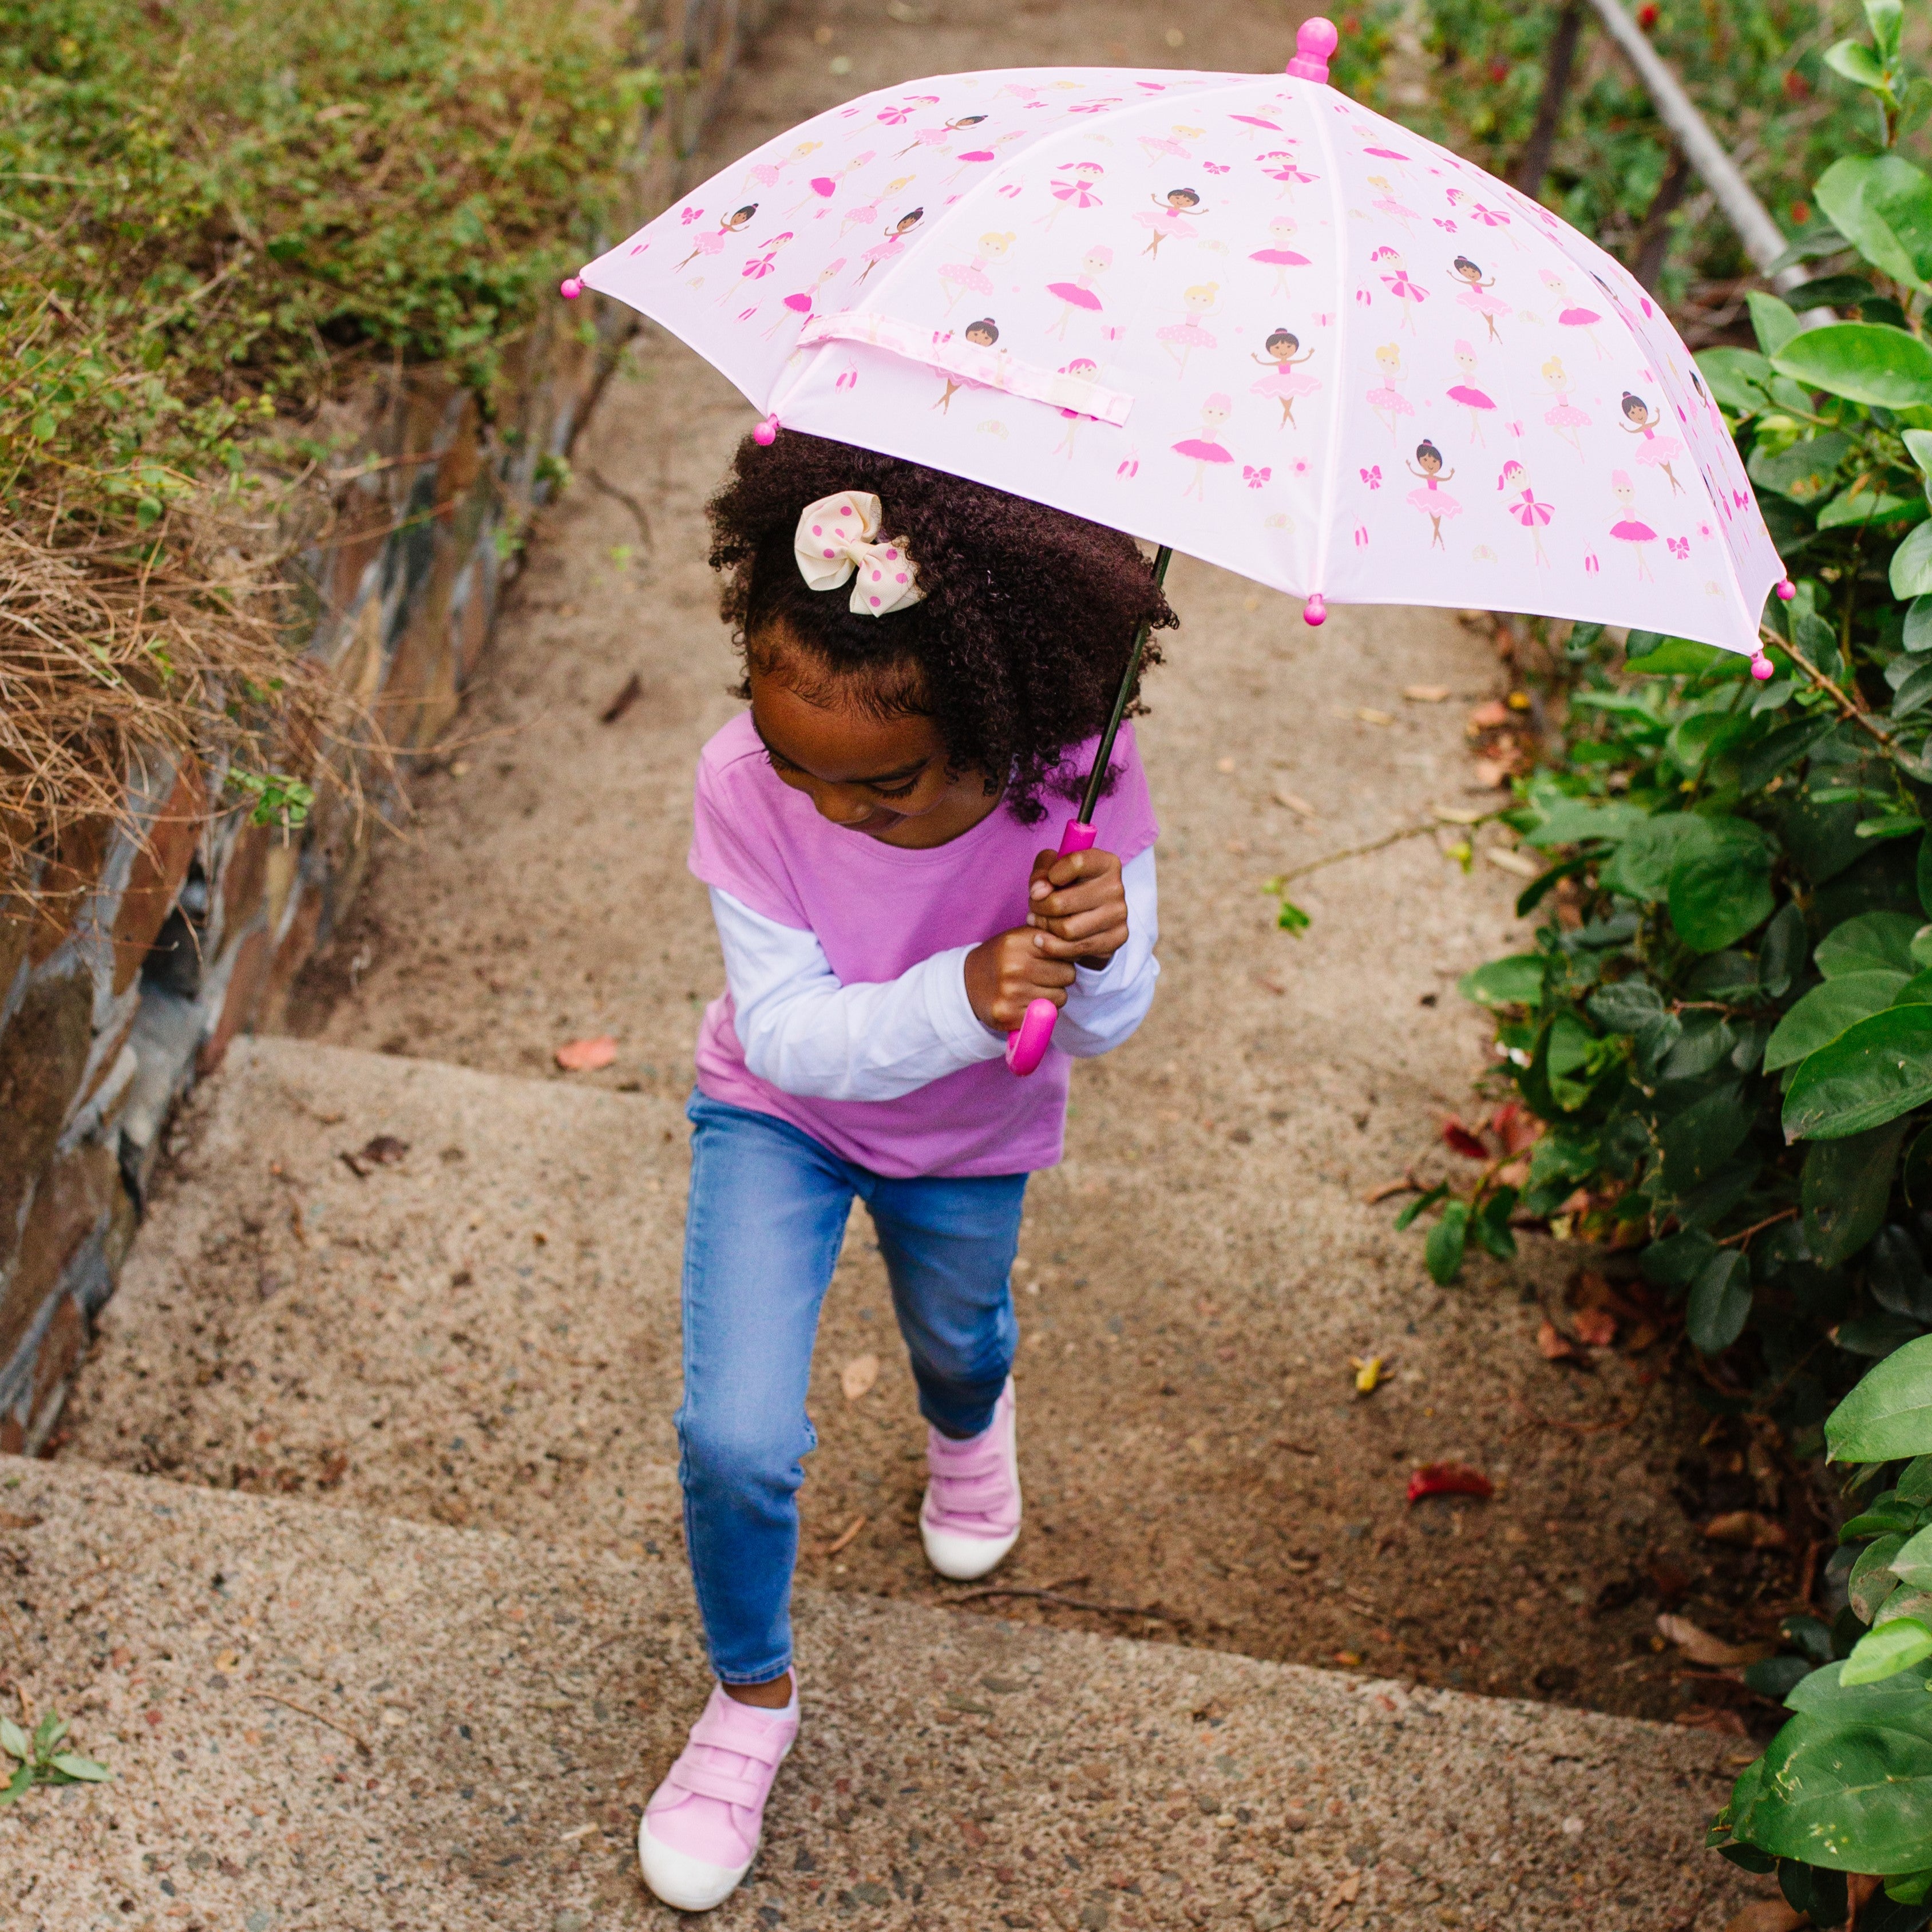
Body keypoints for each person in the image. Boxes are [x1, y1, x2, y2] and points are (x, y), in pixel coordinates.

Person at [637, 429, 1171, 1911]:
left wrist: (1101, 946)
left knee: (960, 1332)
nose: (826, 805)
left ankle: (968, 1415)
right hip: (779, 1119)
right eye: (794, 760)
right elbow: (789, 1035)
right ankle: (749, 1699)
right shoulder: (746, 781)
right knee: (735, 1435)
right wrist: (967, 994)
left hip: (970, 1145)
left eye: (880, 784)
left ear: (999, 731)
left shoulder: (1081, 779)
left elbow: (1114, 1025)